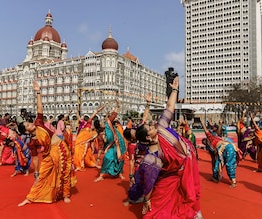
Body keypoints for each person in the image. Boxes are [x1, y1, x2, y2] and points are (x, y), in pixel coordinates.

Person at [134, 77, 203, 219]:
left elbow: (170, 107)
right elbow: (149, 182)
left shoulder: (162, 127)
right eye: (150, 128)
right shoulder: (152, 156)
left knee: (186, 199)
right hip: (172, 178)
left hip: (187, 167)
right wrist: (147, 199)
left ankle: (193, 210)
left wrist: (175, 89)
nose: (153, 125)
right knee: (159, 211)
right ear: (148, 137)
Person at [17, 80, 74, 207]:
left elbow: (39, 108)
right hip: (49, 154)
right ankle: (30, 197)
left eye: (28, 122)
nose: (30, 124)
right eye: (27, 125)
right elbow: (35, 158)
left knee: (64, 170)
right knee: (42, 175)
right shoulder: (32, 142)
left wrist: (38, 92)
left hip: (60, 147)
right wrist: (36, 172)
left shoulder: (38, 123)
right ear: (26, 131)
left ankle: (65, 194)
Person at [94, 100, 126, 182]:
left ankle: (120, 173)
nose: (102, 123)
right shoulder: (100, 136)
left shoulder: (108, 123)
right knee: (107, 158)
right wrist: (98, 158)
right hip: (110, 146)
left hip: (119, 142)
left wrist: (117, 106)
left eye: (101, 122)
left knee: (120, 158)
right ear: (99, 127)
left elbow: (114, 115)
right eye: (100, 123)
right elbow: (101, 147)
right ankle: (101, 175)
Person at [200, 118, 238, 188]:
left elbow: (206, 131)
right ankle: (215, 178)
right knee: (217, 166)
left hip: (227, 148)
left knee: (229, 165)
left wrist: (202, 123)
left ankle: (233, 181)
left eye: (204, 142)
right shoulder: (211, 146)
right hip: (221, 152)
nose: (204, 143)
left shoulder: (212, 137)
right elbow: (213, 158)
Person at [73, 105, 104, 171]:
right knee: (79, 151)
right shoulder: (87, 124)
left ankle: (89, 164)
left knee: (86, 152)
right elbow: (90, 117)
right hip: (80, 140)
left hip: (85, 141)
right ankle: (79, 166)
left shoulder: (94, 132)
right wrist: (97, 111)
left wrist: (92, 148)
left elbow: (92, 141)